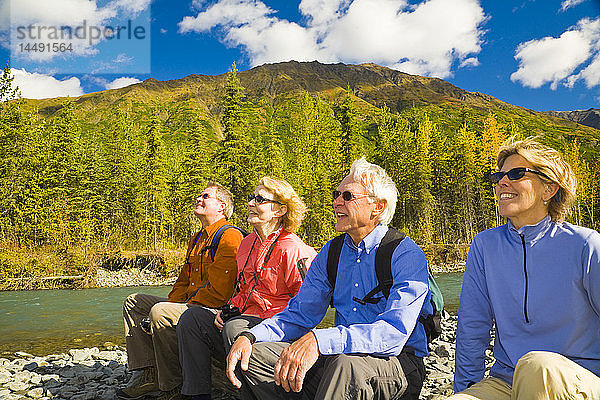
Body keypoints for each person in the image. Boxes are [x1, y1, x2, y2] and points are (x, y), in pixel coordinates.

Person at [226, 157, 433, 400]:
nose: (336, 202)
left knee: (346, 367)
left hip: (397, 364)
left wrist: (318, 340)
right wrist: (251, 336)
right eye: (337, 194)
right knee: (255, 356)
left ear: (377, 207)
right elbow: (300, 314)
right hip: (340, 358)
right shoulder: (332, 252)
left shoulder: (405, 254)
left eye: (347, 196)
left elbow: (393, 335)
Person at [450, 137, 600, 399]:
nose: (502, 183)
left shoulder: (585, 245)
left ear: (549, 189)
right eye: (499, 176)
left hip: (579, 378)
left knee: (537, 368)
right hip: (505, 381)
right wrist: (466, 390)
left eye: (517, 174)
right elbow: (472, 328)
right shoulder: (485, 245)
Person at [177, 177, 317, 400]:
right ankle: (198, 395)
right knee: (193, 319)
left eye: (259, 199)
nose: (250, 203)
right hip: (246, 318)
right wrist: (230, 308)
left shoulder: (294, 249)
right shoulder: (247, 243)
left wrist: (253, 323)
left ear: (279, 210)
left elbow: (307, 307)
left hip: (278, 328)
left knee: (235, 328)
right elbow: (244, 289)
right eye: (252, 197)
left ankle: (249, 395)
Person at [117, 182, 245, 400]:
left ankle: (174, 386)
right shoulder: (197, 239)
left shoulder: (230, 237)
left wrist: (167, 311)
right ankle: (150, 373)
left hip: (212, 313)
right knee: (135, 302)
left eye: (205, 196)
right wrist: (167, 306)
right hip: (192, 305)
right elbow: (182, 283)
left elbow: (219, 294)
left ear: (221, 206)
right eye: (199, 195)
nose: (199, 199)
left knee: (160, 312)